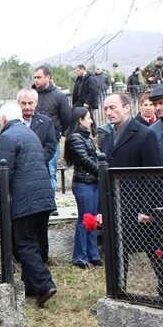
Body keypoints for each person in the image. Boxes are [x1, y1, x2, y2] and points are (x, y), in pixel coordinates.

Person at [0, 102, 57, 306]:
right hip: (44, 197)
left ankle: (45, 284)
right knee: (36, 241)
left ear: (3, 119)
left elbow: (4, 171)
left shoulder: (7, 136)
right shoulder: (31, 134)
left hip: (25, 200)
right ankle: (31, 287)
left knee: (24, 243)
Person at [100, 93, 163, 291]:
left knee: (155, 252)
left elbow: (154, 175)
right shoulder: (108, 137)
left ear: (127, 108)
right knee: (117, 253)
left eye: (113, 107)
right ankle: (118, 291)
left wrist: (148, 209)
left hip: (140, 208)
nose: (109, 112)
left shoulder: (145, 134)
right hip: (117, 206)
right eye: (106, 109)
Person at [63, 107, 101, 268]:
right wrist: (101, 172)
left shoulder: (85, 137)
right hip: (83, 183)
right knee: (84, 219)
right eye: (88, 118)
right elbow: (84, 159)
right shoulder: (76, 138)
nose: (91, 120)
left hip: (91, 182)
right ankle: (79, 256)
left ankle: (92, 254)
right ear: (80, 120)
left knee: (91, 219)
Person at [32, 66, 70, 210]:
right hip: (32, 141)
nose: (36, 80)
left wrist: (57, 132)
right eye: (34, 77)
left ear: (47, 77)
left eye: (39, 77)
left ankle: (50, 204)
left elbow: (66, 118)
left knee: (51, 171)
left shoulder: (59, 96)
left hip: (51, 141)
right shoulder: (32, 94)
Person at [18, 88, 57, 162]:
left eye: (30, 103)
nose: (27, 107)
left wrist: (36, 161)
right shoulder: (12, 122)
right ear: (18, 103)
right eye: (23, 103)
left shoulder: (46, 122)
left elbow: (50, 147)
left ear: (36, 103)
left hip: (39, 167)